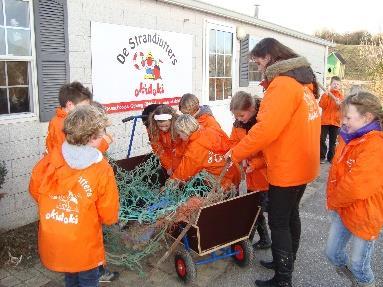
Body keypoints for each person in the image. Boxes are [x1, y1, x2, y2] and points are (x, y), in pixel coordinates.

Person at [225, 38, 321, 287]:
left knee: (279, 221)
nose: (258, 68)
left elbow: (266, 130)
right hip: (303, 163)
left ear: (269, 56)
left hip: (288, 167)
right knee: (290, 217)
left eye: (258, 62)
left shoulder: (282, 85)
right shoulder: (302, 84)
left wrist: (235, 153)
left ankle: (283, 278)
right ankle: (284, 262)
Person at [29, 105, 120, 287]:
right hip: (83, 242)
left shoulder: (49, 160)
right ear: (92, 139)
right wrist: (106, 219)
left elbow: (35, 190)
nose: (103, 135)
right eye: (101, 132)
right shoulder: (101, 169)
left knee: (70, 275)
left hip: (55, 236)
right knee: (88, 278)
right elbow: (109, 211)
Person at [325, 92, 383, 287]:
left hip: (366, 215)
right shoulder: (349, 136)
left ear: (367, 118)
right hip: (343, 208)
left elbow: (356, 185)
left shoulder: (376, 145)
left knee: (359, 265)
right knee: (332, 253)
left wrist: (333, 201)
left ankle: (364, 283)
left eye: (348, 117)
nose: (343, 121)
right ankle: (354, 281)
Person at [229, 91, 271, 250]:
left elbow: (271, 153)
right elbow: (233, 143)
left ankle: (244, 244)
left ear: (252, 109)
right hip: (250, 176)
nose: (238, 119)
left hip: (266, 176)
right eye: (236, 116)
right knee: (255, 209)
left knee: (259, 211)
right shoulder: (238, 125)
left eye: (241, 115)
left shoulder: (263, 124)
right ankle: (263, 240)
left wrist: (256, 163)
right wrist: (241, 157)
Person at [171, 114, 239, 190]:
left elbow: (182, 173)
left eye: (179, 134)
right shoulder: (213, 129)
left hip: (223, 183)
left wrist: (170, 182)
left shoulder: (194, 149)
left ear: (184, 132)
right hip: (236, 171)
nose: (179, 137)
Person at [45, 82, 110, 154]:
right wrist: (104, 142)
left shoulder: (57, 119)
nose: (87, 110)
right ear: (70, 105)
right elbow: (76, 156)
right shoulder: (64, 125)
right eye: (84, 106)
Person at [148, 105, 186, 176]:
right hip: (166, 160)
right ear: (155, 123)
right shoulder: (153, 130)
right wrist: (168, 167)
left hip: (181, 159)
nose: (163, 129)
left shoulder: (179, 128)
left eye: (166, 126)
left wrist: (177, 167)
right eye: (160, 126)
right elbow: (159, 151)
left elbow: (182, 148)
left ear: (172, 121)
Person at [319, 76, 344, 164]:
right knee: (322, 139)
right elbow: (322, 105)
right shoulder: (326, 94)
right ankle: (322, 157)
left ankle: (331, 158)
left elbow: (342, 109)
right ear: (330, 84)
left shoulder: (342, 97)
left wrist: (339, 104)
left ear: (340, 86)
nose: (336, 85)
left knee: (332, 141)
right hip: (325, 121)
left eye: (338, 84)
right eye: (334, 84)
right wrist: (326, 95)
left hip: (335, 122)